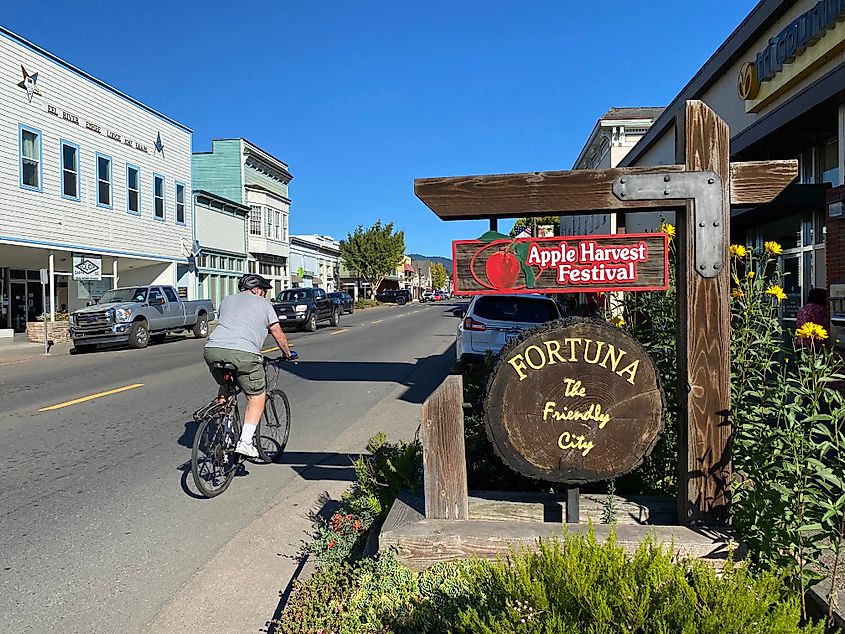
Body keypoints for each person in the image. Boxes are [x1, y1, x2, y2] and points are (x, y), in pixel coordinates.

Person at [204, 273, 292, 458]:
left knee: (226, 387)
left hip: (212, 349)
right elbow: (277, 332)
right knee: (256, 396)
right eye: (264, 291)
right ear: (256, 289)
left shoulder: (227, 300)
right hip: (244, 353)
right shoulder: (264, 305)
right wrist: (287, 353)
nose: (265, 295)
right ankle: (245, 441)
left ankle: (226, 431)